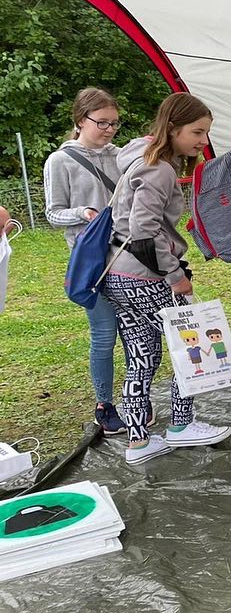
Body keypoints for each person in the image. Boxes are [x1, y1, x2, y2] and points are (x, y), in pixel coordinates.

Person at [101, 93, 231, 466]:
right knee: (188, 348)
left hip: (117, 275)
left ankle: (139, 440)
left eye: (206, 133)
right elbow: (144, 229)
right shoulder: (159, 169)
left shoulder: (137, 159)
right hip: (147, 277)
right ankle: (181, 424)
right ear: (172, 128)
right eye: (197, 132)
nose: (203, 141)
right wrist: (175, 276)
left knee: (142, 358)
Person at [43, 87, 128, 435]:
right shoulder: (60, 160)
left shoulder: (121, 155)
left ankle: (136, 400)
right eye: (102, 122)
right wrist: (83, 213)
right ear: (80, 120)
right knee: (105, 334)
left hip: (127, 254)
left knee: (135, 332)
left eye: (114, 124)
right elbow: (53, 213)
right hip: (92, 260)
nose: (108, 129)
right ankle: (104, 404)